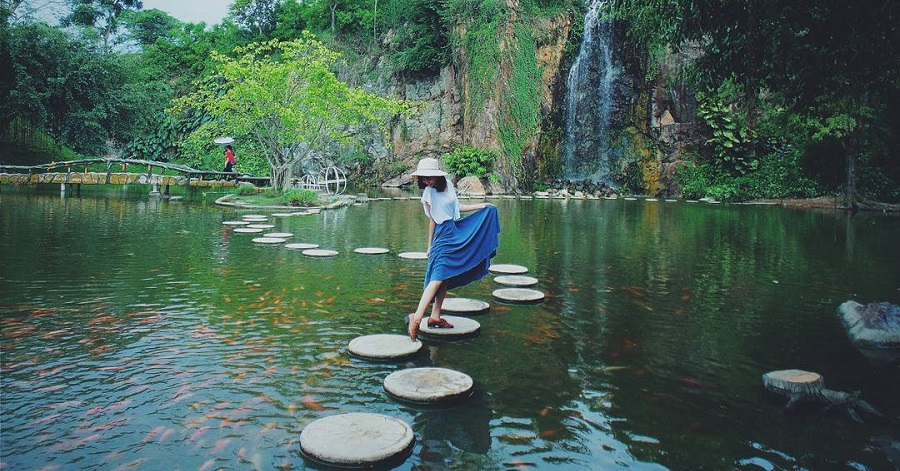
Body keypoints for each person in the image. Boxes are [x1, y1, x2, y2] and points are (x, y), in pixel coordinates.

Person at [408, 157, 500, 341]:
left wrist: (481, 206)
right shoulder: (427, 193)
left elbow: (457, 208)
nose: (427, 181)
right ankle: (417, 317)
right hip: (442, 236)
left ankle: (435, 316)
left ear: (438, 176)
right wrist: (430, 245)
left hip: (454, 230)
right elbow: (433, 220)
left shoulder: (448, 185)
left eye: (430, 177)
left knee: (445, 277)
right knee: (438, 276)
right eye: (424, 179)